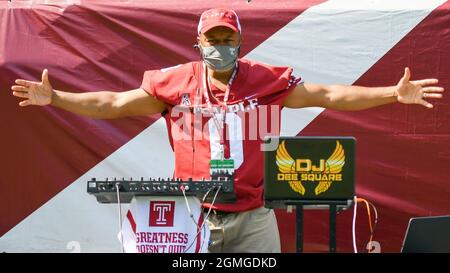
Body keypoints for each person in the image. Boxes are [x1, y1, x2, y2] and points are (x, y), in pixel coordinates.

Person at [10, 8, 444, 253]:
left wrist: (392, 93)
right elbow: (115, 102)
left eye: (227, 38)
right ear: (198, 44)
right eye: (212, 39)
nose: (220, 46)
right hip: (192, 215)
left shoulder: (265, 80)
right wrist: (58, 99)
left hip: (253, 218)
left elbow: (328, 95)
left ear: (240, 42)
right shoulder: (176, 82)